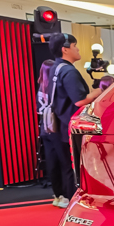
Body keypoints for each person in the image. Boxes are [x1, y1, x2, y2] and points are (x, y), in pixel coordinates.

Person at [47, 33, 96, 201]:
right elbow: (79, 100)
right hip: (70, 124)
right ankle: (75, 201)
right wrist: (99, 92)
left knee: (65, 166)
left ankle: (65, 198)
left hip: (57, 124)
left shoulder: (55, 68)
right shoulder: (68, 71)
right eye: (75, 46)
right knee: (74, 166)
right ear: (65, 49)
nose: (78, 49)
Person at [37, 59, 69, 208]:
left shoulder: (41, 88)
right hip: (56, 128)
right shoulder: (54, 89)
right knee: (65, 163)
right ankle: (66, 195)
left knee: (52, 162)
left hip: (45, 128)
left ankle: (57, 195)